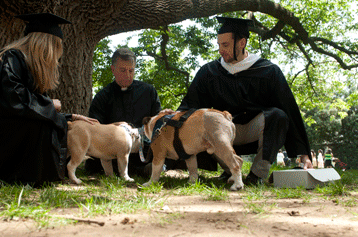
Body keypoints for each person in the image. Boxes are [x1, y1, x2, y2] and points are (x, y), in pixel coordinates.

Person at [0, 13, 98, 186]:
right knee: (41, 124)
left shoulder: (25, 65)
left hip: (2, 120)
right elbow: (13, 98)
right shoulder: (9, 58)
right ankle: (15, 176)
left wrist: (69, 116)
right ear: (45, 46)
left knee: (52, 121)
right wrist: (50, 105)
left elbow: (30, 105)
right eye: (56, 47)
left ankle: (28, 177)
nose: (57, 55)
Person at [177, 16, 312, 185]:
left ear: (242, 43)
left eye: (225, 45)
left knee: (278, 116)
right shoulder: (209, 72)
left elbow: (289, 109)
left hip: (252, 131)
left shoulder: (268, 71)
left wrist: (304, 154)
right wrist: (171, 117)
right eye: (219, 45)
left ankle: (257, 175)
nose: (220, 50)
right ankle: (230, 170)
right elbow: (190, 105)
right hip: (222, 132)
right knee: (200, 121)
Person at [84, 48, 162, 177]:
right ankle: (142, 171)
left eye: (131, 70)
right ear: (113, 69)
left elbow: (156, 123)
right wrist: (115, 127)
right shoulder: (102, 96)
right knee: (96, 160)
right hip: (112, 150)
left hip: (142, 149)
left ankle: (145, 168)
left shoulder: (148, 91)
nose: (128, 75)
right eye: (123, 70)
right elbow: (95, 128)